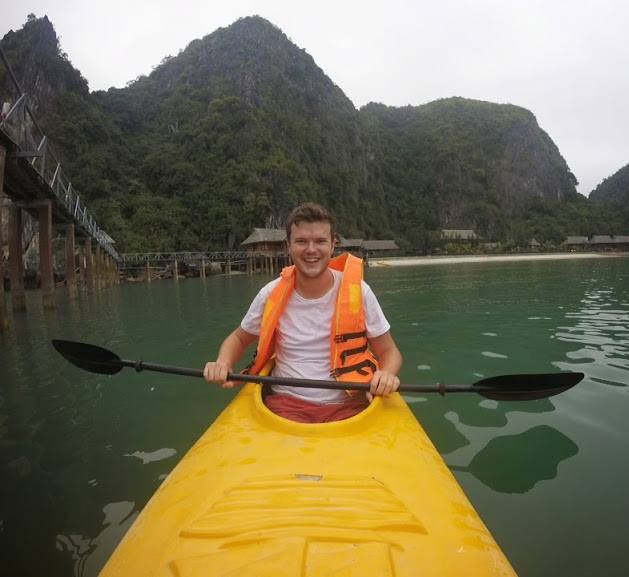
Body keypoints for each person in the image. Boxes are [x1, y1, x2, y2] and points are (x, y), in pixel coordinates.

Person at [203, 202, 403, 423]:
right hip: (286, 406)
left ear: (333, 244)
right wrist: (223, 362)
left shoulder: (360, 293)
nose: (311, 250)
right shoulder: (270, 293)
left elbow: (389, 352)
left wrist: (386, 374)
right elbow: (239, 338)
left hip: (350, 405)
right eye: (301, 241)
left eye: (320, 241)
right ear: (288, 245)